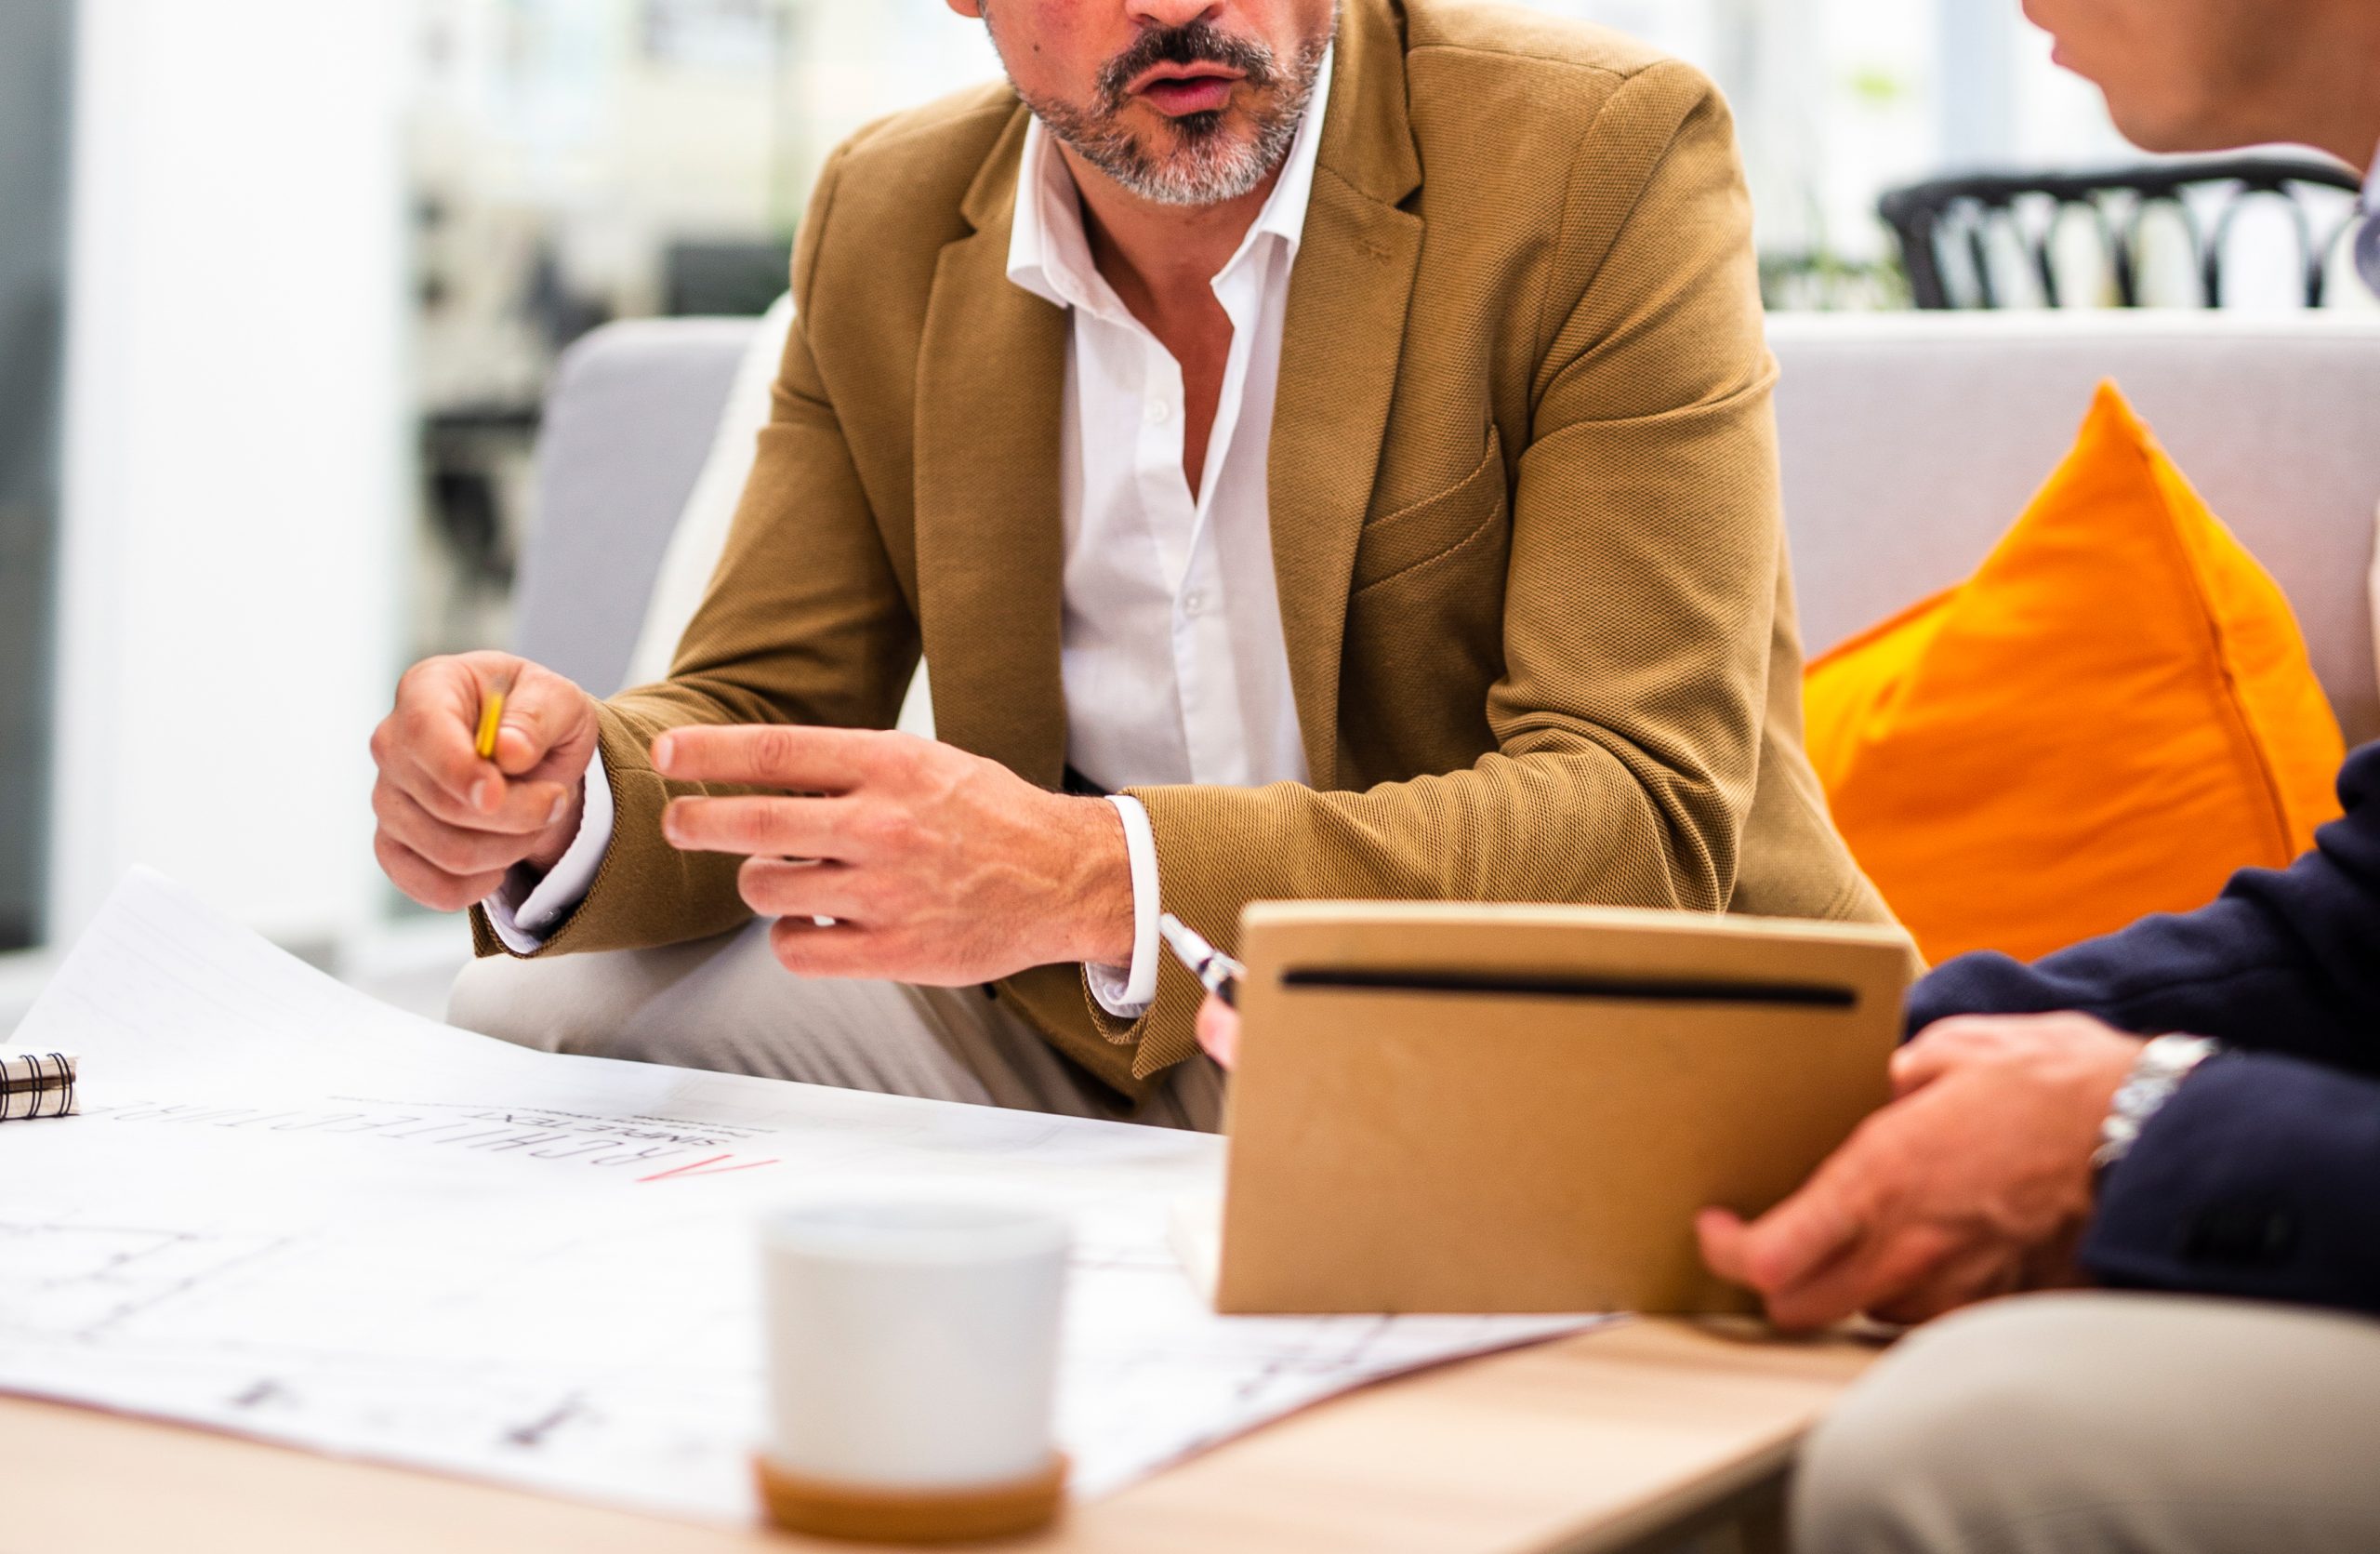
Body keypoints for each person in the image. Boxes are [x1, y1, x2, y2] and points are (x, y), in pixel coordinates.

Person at [1198, 0, 2380, 1540]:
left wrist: (2144, 1125)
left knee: (1952, 1450)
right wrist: (1793, 1074)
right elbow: (2361, 926)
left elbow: (1636, 783)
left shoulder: (1609, 153)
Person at [368, 0, 1887, 1131]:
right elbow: (763, 700)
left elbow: (1640, 811)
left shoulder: (1598, 155)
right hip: (1080, 1033)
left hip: (1546, 1043)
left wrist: (1096, 880)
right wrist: (565, 800)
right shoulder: (886, 216)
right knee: (533, 1005)